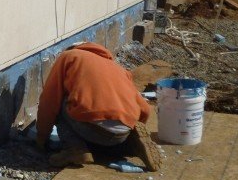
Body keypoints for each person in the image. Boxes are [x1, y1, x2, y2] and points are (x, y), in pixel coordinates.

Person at [35, 42, 160, 170]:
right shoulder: (119, 69)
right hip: (123, 132)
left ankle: (74, 149)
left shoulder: (69, 56)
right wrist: (132, 127)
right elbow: (144, 108)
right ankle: (131, 144)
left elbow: (49, 101)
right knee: (106, 139)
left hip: (90, 126)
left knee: (61, 101)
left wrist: (41, 137)